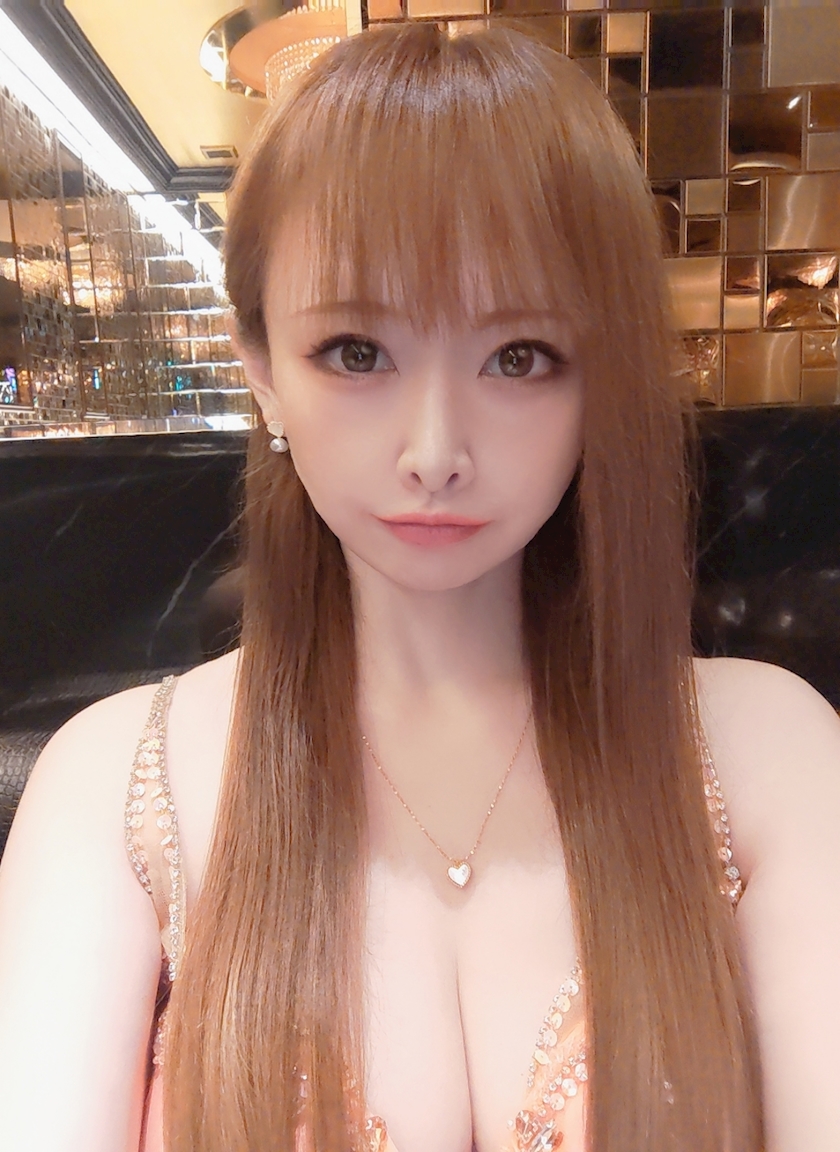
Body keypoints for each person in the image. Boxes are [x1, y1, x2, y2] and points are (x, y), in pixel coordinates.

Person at [0, 20, 838, 1152]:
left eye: (519, 356)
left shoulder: (767, 755)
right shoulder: (112, 789)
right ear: (263, 372)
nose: (435, 449)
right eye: (357, 351)